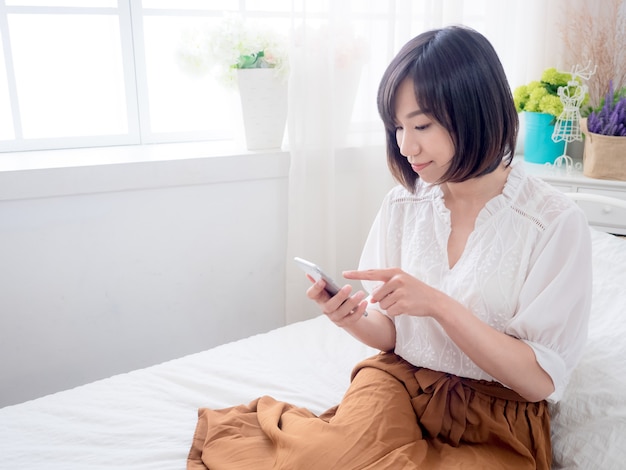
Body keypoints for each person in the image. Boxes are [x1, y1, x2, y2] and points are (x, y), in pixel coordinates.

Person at [188, 25, 592, 469]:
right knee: (320, 461)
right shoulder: (404, 204)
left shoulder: (552, 223)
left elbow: (537, 381)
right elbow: (393, 334)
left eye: (421, 125)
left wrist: (438, 305)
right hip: (399, 383)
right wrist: (353, 320)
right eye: (397, 127)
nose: (406, 146)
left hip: (497, 415)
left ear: (478, 111)